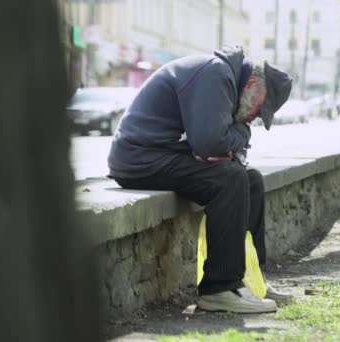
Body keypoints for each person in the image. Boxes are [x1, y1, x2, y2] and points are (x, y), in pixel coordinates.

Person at [107, 45, 292, 313]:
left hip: (162, 153)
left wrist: (228, 141)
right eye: (260, 109)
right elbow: (209, 143)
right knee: (230, 179)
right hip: (140, 159)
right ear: (252, 83)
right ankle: (219, 288)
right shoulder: (217, 75)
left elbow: (219, 146)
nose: (253, 118)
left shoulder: (226, 79)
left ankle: (252, 280)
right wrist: (240, 131)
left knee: (250, 180)